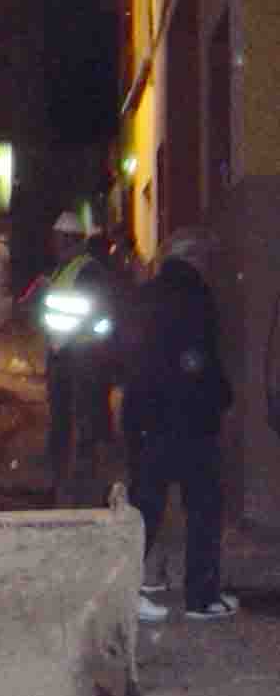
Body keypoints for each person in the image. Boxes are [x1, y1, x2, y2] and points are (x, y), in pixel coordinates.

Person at [120, 227, 238, 622]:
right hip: (187, 419)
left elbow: (129, 355)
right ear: (196, 261)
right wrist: (221, 396)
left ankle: (127, 587)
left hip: (146, 418)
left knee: (146, 504)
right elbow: (198, 362)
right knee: (204, 503)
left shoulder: (145, 295)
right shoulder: (196, 298)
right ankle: (201, 597)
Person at [39, 213, 120, 506]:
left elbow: (96, 314)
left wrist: (70, 342)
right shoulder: (64, 270)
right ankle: (61, 482)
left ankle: (85, 486)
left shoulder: (87, 271)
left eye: (56, 237)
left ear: (68, 239)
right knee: (62, 419)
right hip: (64, 355)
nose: (52, 242)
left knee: (85, 422)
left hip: (81, 357)